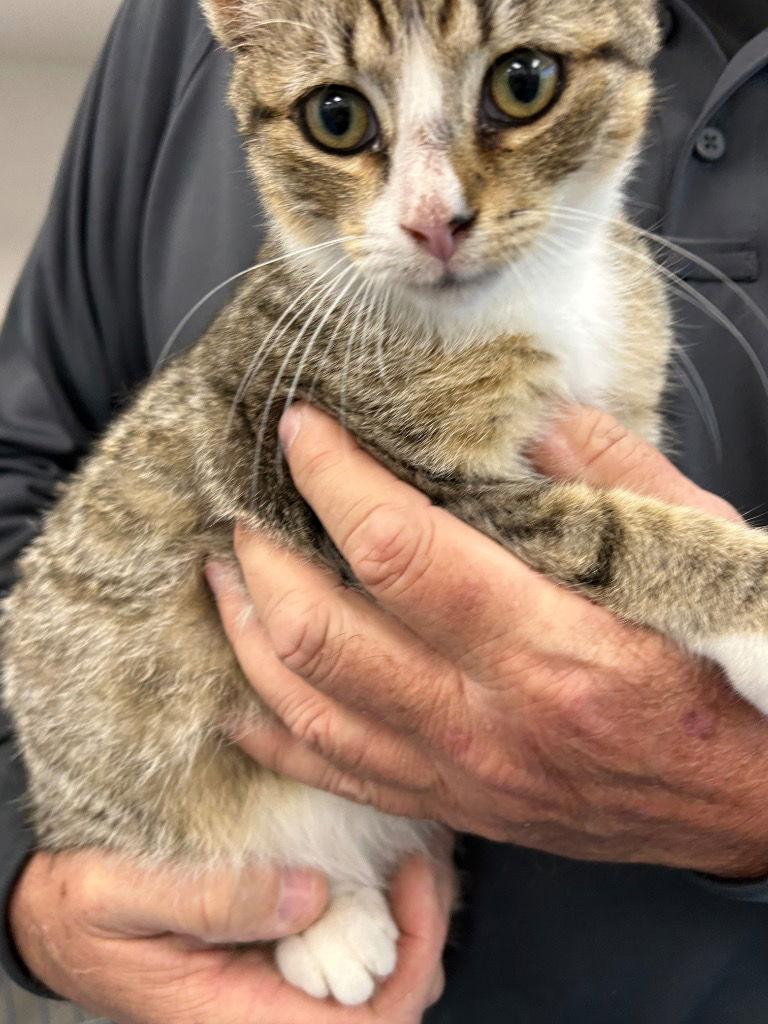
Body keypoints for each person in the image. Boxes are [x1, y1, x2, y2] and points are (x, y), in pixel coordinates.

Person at [1, 0, 767, 1019]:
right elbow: (21, 450)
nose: (434, 209)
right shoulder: (181, 54)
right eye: (335, 119)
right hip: (206, 812)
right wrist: (27, 898)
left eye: (519, 86)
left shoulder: (615, 285)